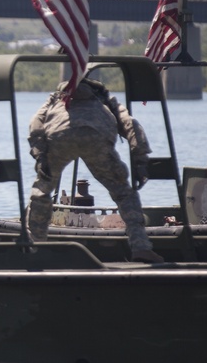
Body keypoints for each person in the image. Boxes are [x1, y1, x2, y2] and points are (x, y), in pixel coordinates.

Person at [26, 78, 163, 263]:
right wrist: (140, 159)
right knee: (123, 193)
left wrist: (40, 155)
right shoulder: (105, 98)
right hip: (97, 137)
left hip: (60, 137)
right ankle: (140, 247)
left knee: (42, 191)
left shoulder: (57, 98)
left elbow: (35, 123)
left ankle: (35, 247)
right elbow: (130, 124)